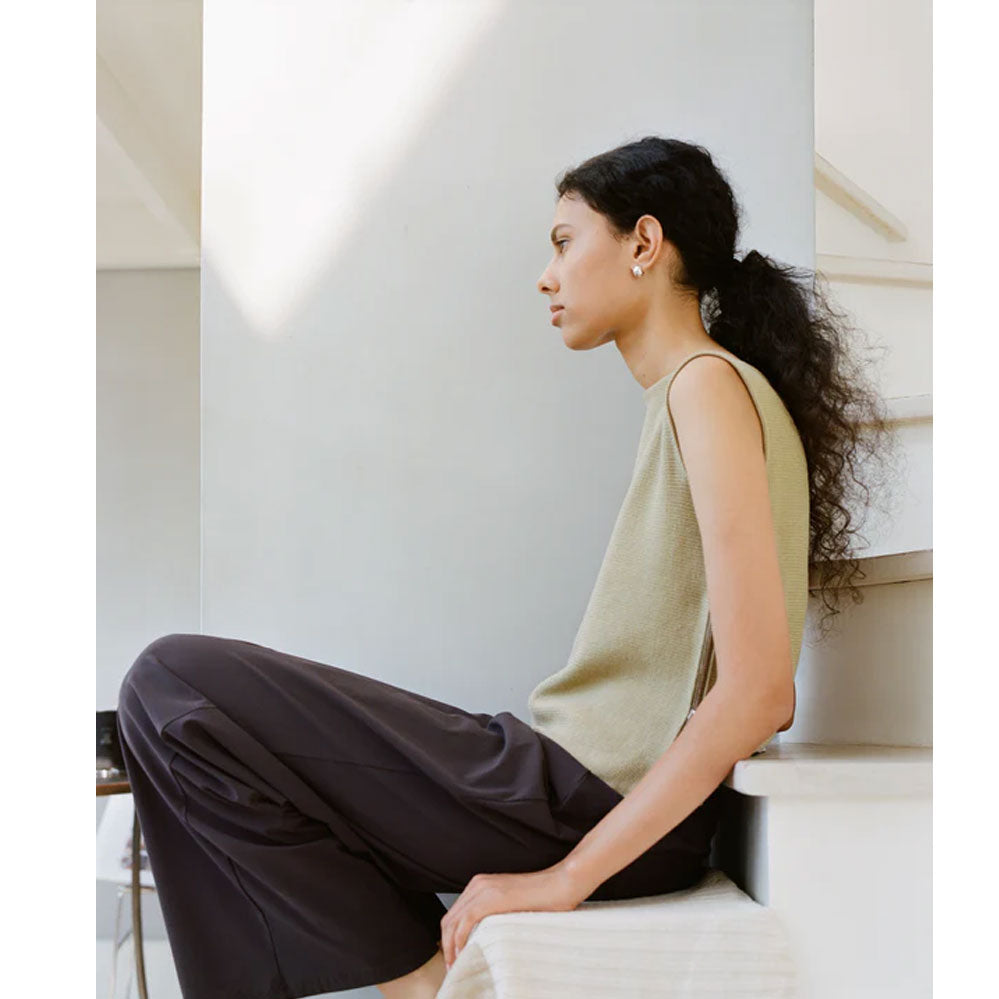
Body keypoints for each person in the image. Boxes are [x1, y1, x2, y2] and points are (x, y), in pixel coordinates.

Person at [116, 135, 897, 999]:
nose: (545, 276)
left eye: (564, 242)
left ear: (643, 243)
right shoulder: (700, 389)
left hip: (579, 798)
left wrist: (566, 877)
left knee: (171, 681)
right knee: (215, 733)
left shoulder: (704, 384)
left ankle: (417, 981)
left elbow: (758, 691)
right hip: (557, 782)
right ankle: (417, 979)